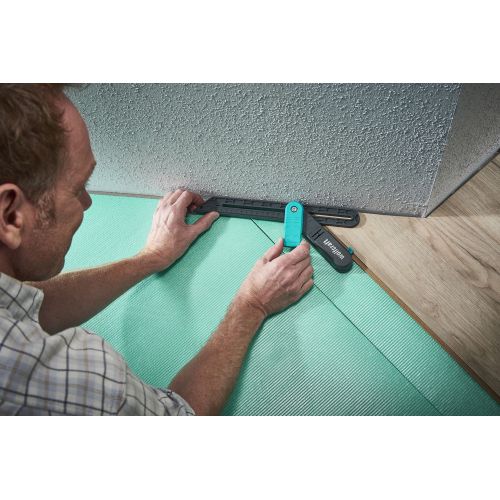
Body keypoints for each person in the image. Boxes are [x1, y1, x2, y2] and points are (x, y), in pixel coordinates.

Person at [0, 84, 314, 416]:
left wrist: (151, 258)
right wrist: (252, 305)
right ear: (10, 215)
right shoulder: (61, 379)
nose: (88, 202)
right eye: (78, 188)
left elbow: (28, 306)